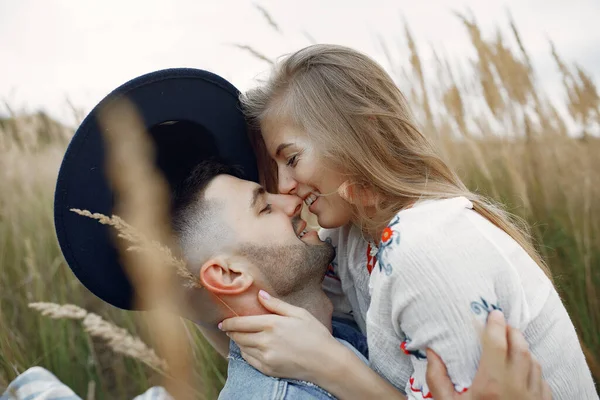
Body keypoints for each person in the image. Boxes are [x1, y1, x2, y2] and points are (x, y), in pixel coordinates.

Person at [54, 68, 552, 400]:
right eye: (264, 204)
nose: (291, 198)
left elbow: (211, 295)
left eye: (285, 170)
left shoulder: (345, 277)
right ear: (226, 273)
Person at [220, 44, 598, 399]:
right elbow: (270, 287)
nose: (285, 186)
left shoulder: (424, 249)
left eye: (292, 159)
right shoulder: (354, 235)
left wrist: (329, 364)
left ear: (359, 134)